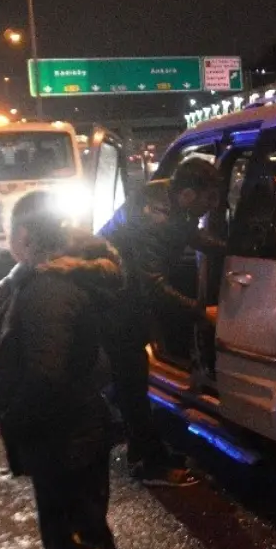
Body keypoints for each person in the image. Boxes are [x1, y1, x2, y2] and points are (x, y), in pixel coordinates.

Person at [0, 190, 148, 549]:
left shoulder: (46, 289)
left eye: (11, 230)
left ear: (26, 236)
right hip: (79, 428)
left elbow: (46, 374)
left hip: (63, 435)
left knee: (70, 540)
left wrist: (15, 418)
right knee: (87, 529)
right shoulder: (64, 277)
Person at [99, 158, 224, 487]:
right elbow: (153, 285)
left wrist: (233, 248)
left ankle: (142, 445)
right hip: (113, 299)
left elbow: (190, 235)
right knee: (132, 380)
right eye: (208, 199)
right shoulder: (155, 217)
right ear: (186, 195)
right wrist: (201, 312)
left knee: (128, 379)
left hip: (121, 293)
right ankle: (147, 463)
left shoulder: (165, 196)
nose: (214, 206)